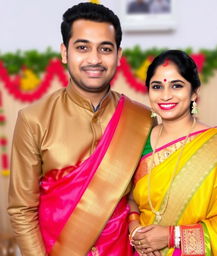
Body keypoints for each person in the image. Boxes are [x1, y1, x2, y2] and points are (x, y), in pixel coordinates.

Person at [7, 3, 153, 256]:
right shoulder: (34, 120)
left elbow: (149, 197)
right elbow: (22, 210)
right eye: (82, 47)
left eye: (105, 49)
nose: (94, 59)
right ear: (65, 52)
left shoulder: (142, 119)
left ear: (119, 55)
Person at [128, 50, 217, 255]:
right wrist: (134, 228)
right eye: (157, 86)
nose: (166, 95)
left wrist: (172, 236)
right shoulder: (139, 141)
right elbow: (130, 197)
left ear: (194, 92)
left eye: (177, 85)